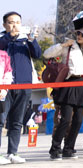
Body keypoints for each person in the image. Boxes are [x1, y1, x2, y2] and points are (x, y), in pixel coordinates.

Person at [43, 26, 83, 160]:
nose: (79, 36)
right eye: (78, 33)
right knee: (65, 120)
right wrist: (63, 45)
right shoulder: (69, 45)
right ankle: (55, 149)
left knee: (78, 121)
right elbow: (47, 54)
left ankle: (69, 149)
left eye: (82, 35)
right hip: (70, 83)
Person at [0, 12, 41, 164]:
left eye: (18, 22)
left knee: (17, 122)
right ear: (5, 25)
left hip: (24, 86)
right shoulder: (3, 40)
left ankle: (12, 152)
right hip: (4, 87)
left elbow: (37, 54)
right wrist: (10, 36)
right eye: (11, 22)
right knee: (0, 120)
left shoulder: (25, 40)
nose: (15, 25)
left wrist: (32, 40)